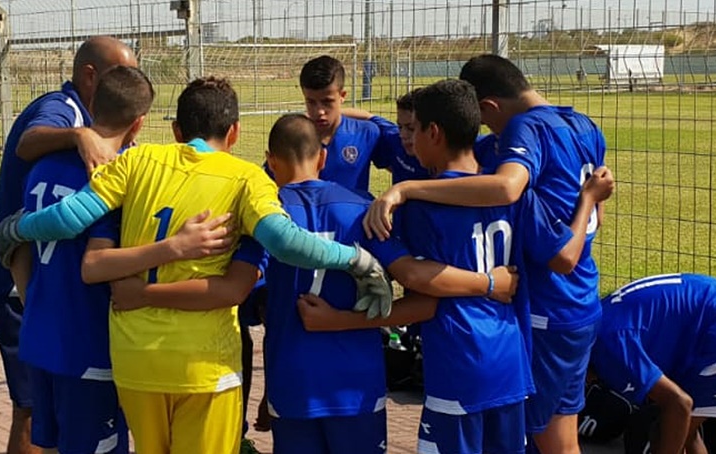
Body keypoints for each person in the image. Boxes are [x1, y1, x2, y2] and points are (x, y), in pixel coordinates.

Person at [0, 76, 397, 454]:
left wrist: (17, 228)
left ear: (176, 130)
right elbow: (285, 241)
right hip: (203, 367)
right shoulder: (246, 178)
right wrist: (356, 259)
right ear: (235, 133)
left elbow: (70, 218)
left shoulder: (137, 160)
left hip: (135, 362)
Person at [107, 113, 521, 454]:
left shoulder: (262, 219)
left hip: (293, 387)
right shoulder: (365, 211)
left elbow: (244, 298)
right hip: (357, 388)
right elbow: (423, 303)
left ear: (270, 162)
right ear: (323, 158)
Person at [299, 79, 614, 454]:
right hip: (511, 363)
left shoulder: (417, 211)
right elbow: (564, 253)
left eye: (415, 130)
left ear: (433, 132)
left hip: (458, 366)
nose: (408, 140)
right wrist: (589, 201)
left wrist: (339, 319)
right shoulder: (520, 196)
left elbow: (420, 292)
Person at [0, 35, 137, 454]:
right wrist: (81, 134)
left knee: (41, 418)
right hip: (28, 291)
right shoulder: (63, 109)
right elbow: (29, 140)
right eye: (120, 74)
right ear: (90, 76)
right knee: (30, 411)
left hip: (39, 293)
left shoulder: (58, 162)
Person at [15, 65, 156, 454]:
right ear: (139, 123)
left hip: (40, 338)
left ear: (93, 107)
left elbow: (19, 247)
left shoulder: (43, 166)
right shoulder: (116, 179)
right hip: (88, 346)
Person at [590, 273, 716, 454]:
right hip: (710, 317)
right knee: (683, 430)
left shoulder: (609, 346)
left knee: (673, 423)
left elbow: (679, 403)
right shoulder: (600, 325)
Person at [297, 55, 393, 192]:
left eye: (327, 102)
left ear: (342, 96)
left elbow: (401, 169)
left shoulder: (366, 133)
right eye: (311, 102)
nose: (319, 111)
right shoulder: (293, 137)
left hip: (355, 207)